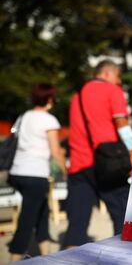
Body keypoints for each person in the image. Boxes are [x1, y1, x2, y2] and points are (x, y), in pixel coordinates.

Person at [64, 59, 132, 248]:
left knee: (76, 228)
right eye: (118, 76)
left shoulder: (77, 96)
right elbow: (121, 123)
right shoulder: (112, 91)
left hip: (79, 166)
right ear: (106, 73)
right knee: (124, 219)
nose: (119, 81)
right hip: (108, 165)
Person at [8, 84, 66, 261]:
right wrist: (67, 172)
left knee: (41, 213)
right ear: (49, 99)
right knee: (27, 221)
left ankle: (46, 256)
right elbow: (55, 151)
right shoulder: (49, 120)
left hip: (17, 172)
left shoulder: (23, 117)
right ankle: (14, 260)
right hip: (35, 174)